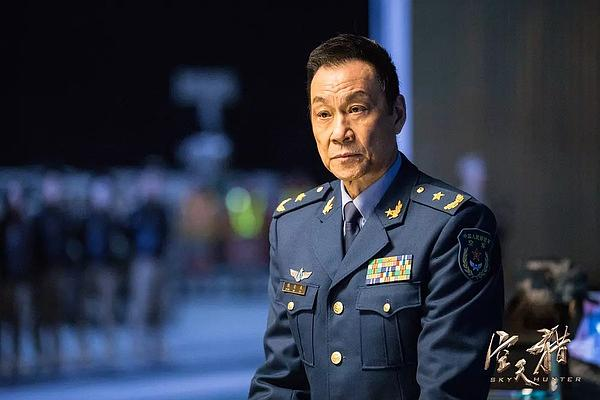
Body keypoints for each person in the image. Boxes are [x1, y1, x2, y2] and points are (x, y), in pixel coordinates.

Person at [249, 34, 504, 400]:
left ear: (396, 113)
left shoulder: (453, 226)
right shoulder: (292, 225)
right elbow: (280, 382)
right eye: (323, 114)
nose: (339, 133)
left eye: (356, 109)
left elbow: (449, 390)